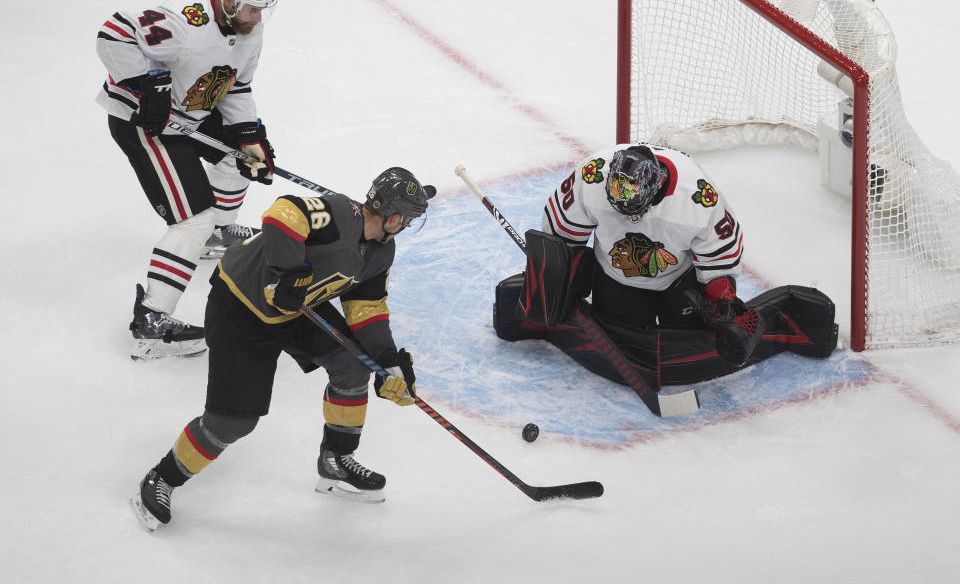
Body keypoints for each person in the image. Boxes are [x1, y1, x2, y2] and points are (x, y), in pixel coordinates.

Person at [130, 167, 437, 531]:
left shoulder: (381, 253)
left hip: (295, 308)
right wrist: (289, 270)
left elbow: (367, 309)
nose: (406, 226)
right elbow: (283, 213)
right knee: (233, 421)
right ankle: (161, 478)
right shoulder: (340, 215)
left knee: (355, 365)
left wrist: (389, 362)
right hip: (241, 307)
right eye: (408, 218)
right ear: (393, 214)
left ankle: (336, 460)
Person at [493, 144, 837, 390]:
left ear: (655, 186)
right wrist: (556, 277)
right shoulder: (592, 177)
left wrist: (724, 305)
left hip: (680, 282)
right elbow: (561, 233)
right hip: (616, 275)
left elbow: (719, 256)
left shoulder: (697, 197)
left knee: (691, 342)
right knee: (622, 336)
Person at [96, 0, 280, 360]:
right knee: (191, 217)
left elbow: (236, 88)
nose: (258, 15)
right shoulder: (186, 21)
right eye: (252, 6)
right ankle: (152, 326)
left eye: (263, 7)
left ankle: (215, 235)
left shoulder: (250, 29)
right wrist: (145, 86)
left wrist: (248, 136)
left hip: (191, 115)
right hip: (145, 124)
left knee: (239, 159)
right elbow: (114, 32)